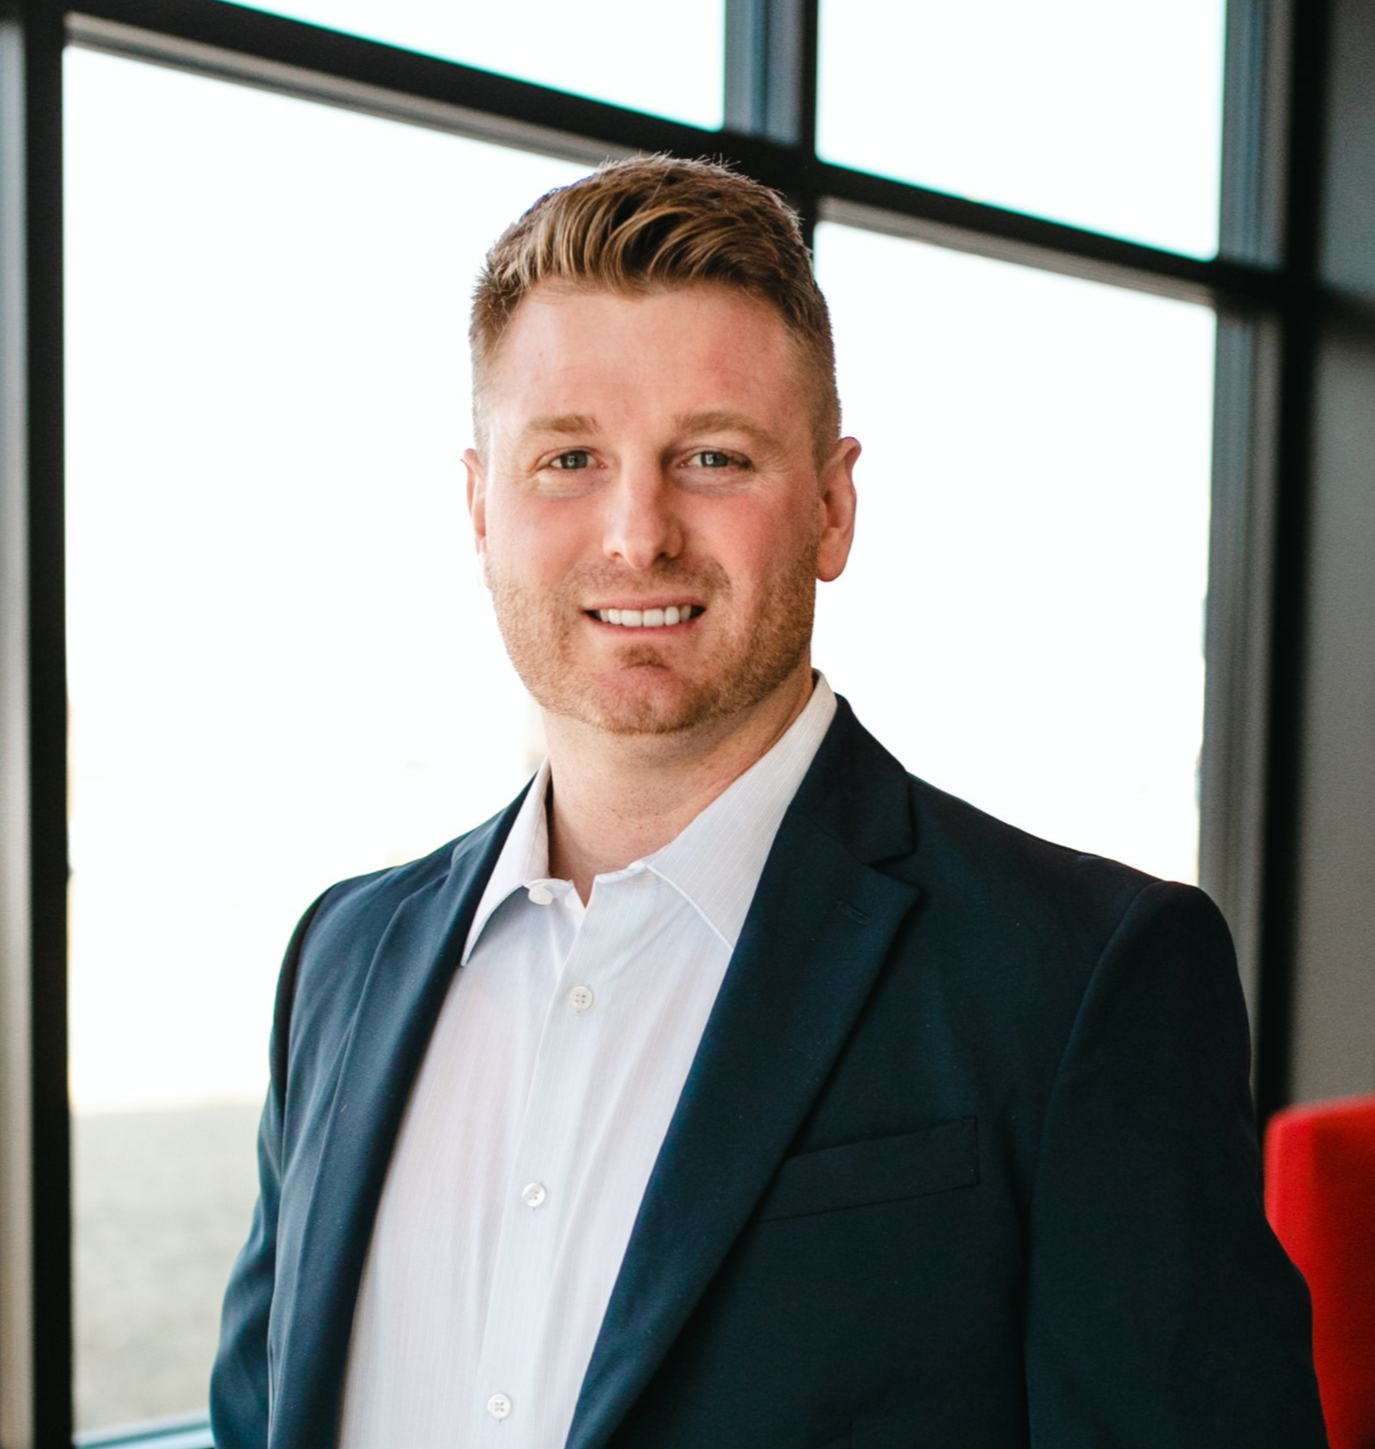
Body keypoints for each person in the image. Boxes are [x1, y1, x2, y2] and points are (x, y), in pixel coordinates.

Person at [210, 155, 1328, 1449]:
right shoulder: (339, 963)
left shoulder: (1084, 980)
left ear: (832, 507)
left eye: (711, 458)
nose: (637, 532)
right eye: (567, 457)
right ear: (478, 507)